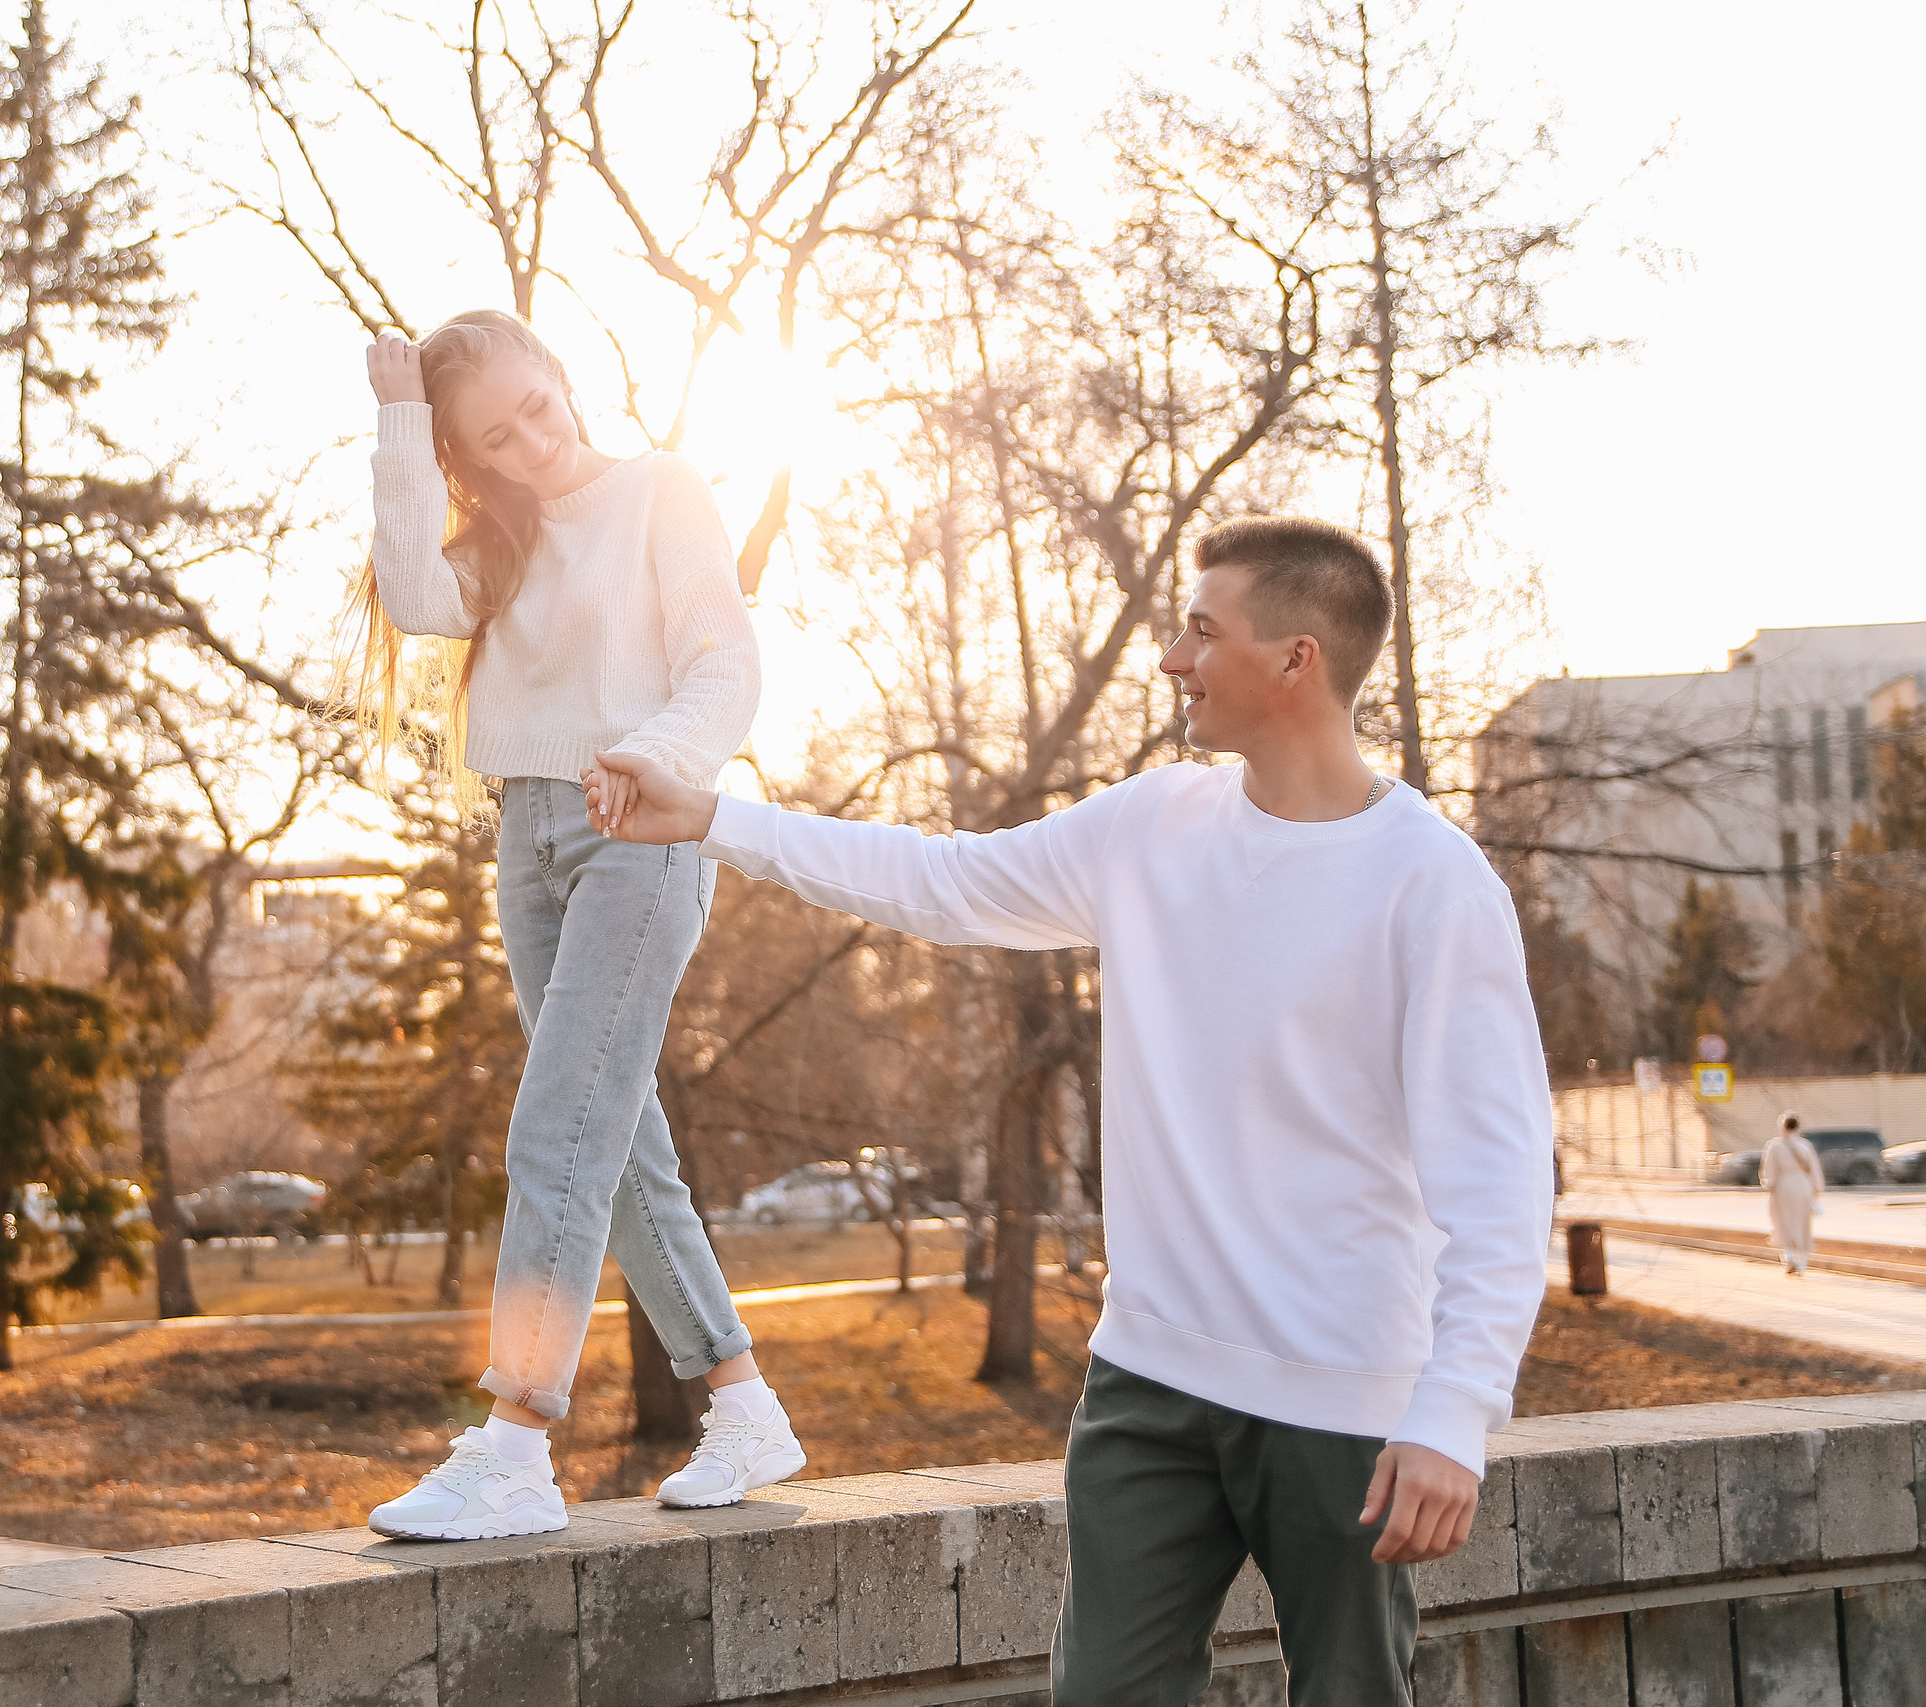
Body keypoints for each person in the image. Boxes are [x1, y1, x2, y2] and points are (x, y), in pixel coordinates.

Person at [583, 517, 1555, 1704]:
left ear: (1296, 660)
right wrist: (713, 817)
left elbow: (1498, 1182)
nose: (1170, 659)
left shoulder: (1432, 884)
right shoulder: (1154, 826)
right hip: (1148, 1387)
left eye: (1203, 631)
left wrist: (1453, 1411)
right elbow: (940, 882)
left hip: (1343, 1405)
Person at [352, 311, 804, 1543]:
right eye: (494, 439)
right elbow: (408, 594)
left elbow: (725, 666)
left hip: (644, 828)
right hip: (530, 835)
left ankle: (514, 1443)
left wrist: (649, 758)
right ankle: (743, 1403)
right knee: (616, 1139)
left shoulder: (661, 490)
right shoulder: (498, 540)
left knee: (557, 1122)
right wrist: (401, 421)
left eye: (536, 410)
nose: (530, 444)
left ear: (563, 381)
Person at [1762, 1112, 1825, 1276]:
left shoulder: (1774, 1146)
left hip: (1783, 1186)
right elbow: (1814, 1169)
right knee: (1803, 1223)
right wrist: (1816, 1188)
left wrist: (1769, 1185)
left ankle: (1789, 1257)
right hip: (1803, 1186)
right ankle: (1802, 1263)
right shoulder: (1805, 1145)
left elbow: (1769, 1171)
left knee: (1784, 1222)